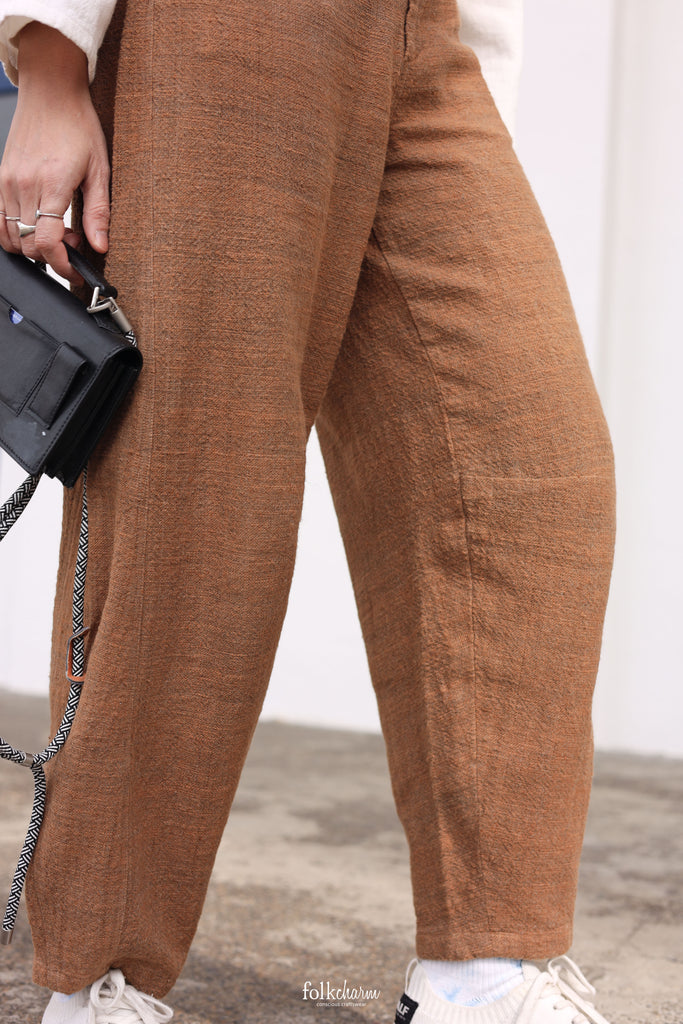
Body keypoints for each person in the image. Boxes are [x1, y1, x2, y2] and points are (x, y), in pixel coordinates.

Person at [0, 1, 618, 1023]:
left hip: (421, 42)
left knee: (524, 474)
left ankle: (480, 970)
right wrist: (53, 59)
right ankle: (100, 977)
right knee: (195, 495)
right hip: (222, 35)